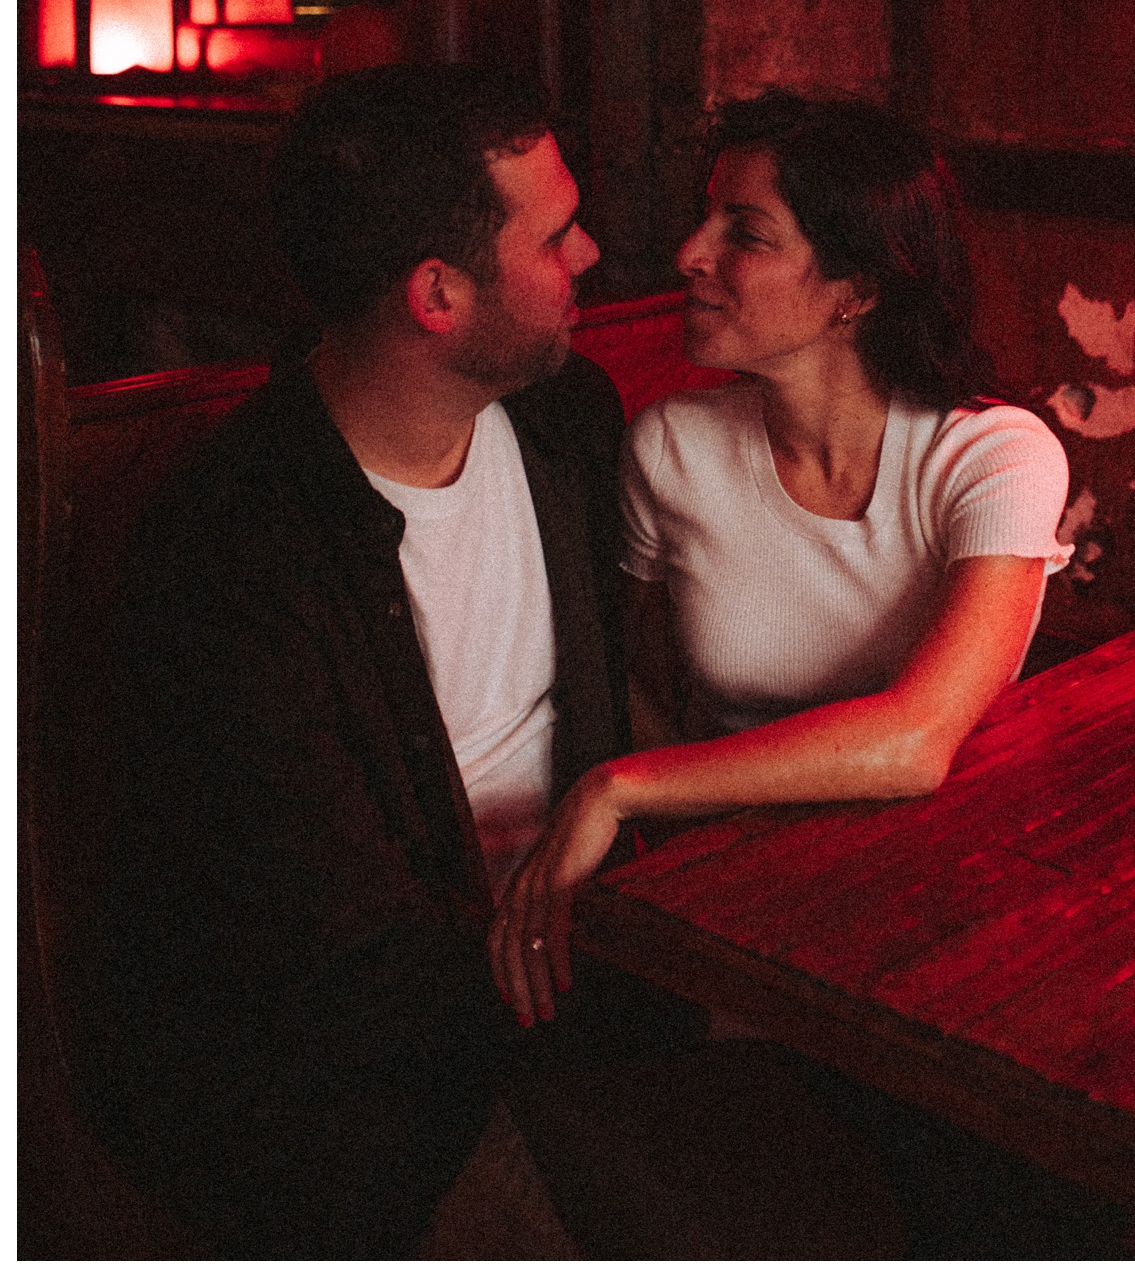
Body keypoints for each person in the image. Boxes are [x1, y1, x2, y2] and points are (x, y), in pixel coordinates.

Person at [95, 66, 903, 1260]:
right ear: (438, 292)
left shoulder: (562, 417)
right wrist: (692, 989)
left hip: (589, 991)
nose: (594, 253)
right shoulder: (237, 549)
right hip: (374, 1097)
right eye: (556, 234)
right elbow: (351, 973)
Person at [495, 89, 1073, 1029]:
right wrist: (689, 871)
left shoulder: (992, 455)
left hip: (952, 890)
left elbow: (917, 737)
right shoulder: (671, 446)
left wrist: (617, 788)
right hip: (734, 894)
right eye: (706, 218)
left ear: (859, 288)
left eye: (746, 233)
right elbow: (642, 684)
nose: (691, 253)